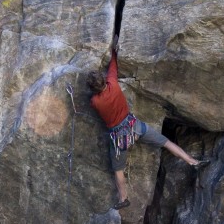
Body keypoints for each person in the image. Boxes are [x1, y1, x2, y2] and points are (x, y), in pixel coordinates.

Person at [87, 39, 206, 209]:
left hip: (119, 138)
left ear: (93, 89)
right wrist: (114, 52)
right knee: (166, 142)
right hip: (134, 127)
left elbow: (93, 98)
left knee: (118, 170)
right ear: (104, 81)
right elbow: (113, 67)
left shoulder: (95, 102)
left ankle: (123, 199)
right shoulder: (113, 84)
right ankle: (193, 162)